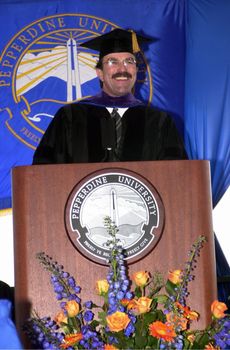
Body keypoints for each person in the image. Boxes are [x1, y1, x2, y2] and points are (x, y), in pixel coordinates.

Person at [32, 28, 187, 164]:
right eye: (112, 62)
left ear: (136, 70)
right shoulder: (69, 117)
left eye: (129, 61)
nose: (122, 68)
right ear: (100, 73)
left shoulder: (159, 122)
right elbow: (44, 170)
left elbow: (176, 174)